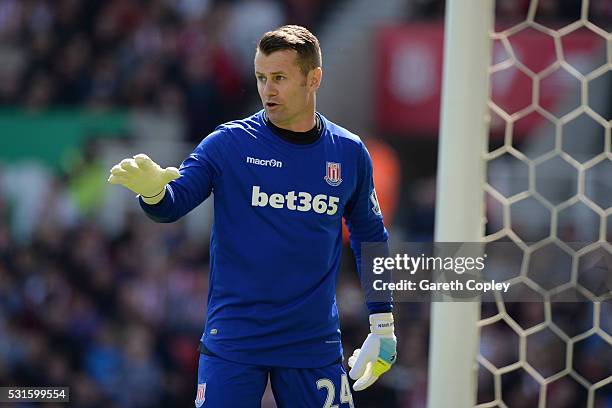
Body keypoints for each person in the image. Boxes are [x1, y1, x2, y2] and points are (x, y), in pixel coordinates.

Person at [108, 25, 396, 408]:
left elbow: (370, 237)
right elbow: (175, 202)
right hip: (235, 340)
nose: (267, 89)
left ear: (314, 78)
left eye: (279, 78)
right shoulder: (229, 144)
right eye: (261, 78)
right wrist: (154, 191)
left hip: (312, 343)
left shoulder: (348, 153)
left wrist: (383, 324)